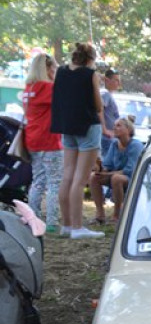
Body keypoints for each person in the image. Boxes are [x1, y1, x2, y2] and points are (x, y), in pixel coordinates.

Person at [50, 42, 105, 239]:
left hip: (67, 127)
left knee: (67, 176)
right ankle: (78, 227)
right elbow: (98, 105)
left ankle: (66, 224)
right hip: (88, 127)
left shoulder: (61, 72)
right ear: (90, 59)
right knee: (80, 180)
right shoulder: (91, 75)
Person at [20, 53, 63, 233]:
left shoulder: (29, 88)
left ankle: (33, 216)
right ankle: (52, 222)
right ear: (47, 68)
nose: (55, 70)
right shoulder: (48, 88)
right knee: (55, 182)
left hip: (32, 139)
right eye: (53, 67)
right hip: (49, 139)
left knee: (38, 180)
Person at [88, 116, 142, 224]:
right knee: (93, 177)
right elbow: (107, 165)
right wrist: (99, 168)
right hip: (115, 176)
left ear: (129, 130)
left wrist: (108, 174)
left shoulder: (135, 145)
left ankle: (117, 215)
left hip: (133, 178)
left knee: (116, 178)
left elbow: (129, 170)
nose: (114, 128)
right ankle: (100, 215)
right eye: (114, 126)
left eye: (118, 125)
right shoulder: (114, 144)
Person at [99, 68, 121, 154]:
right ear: (107, 80)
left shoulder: (108, 94)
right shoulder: (105, 94)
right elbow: (99, 110)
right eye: (116, 80)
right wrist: (104, 129)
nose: (118, 83)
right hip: (106, 136)